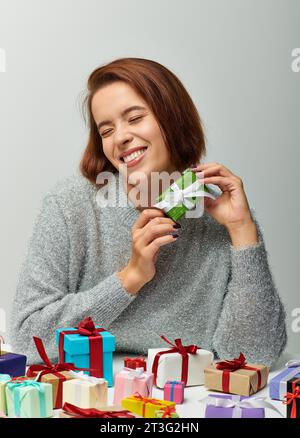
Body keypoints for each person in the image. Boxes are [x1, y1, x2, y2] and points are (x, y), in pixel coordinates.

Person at [9, 57, 287, 365]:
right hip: (98, 398)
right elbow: (25, 338)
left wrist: (243, 231)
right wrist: (130, 277)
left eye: (135, 118)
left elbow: (253, 357)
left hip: (188, 403)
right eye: (106, 130)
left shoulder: (219, 209)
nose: (120, 137)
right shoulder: (70, 206)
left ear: (173, 118)